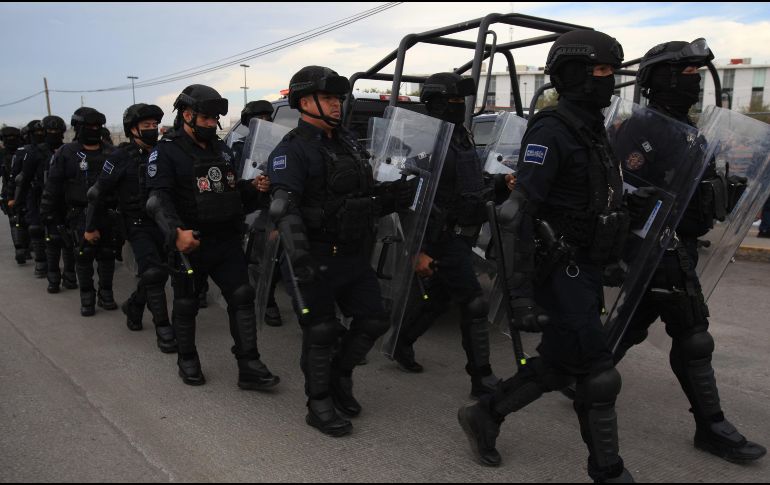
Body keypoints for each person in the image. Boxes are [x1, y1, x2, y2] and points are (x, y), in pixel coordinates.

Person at [457, 30, 634, 482]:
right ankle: (607, 471)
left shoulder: (595, 131)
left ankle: (486, 413)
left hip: (588, 267)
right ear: (573, 73)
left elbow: (602, 198)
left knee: (559, 362)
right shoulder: (552, 129)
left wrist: (615, 253)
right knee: (597, 373)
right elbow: (516, 214)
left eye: (611, 72)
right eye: (600, 71)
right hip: (561, 269)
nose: (608, 81)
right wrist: (519, 298)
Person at [611, 39, 766, 463]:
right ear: (658, 80)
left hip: (682, 245)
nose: (693, 83)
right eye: (684, 75)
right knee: (693, 336)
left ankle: (579, 376)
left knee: (627, 326)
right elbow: (624, 191)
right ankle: (711, 425)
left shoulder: (694, 130)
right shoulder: (642, 128)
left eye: (697, 76)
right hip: (657, 248)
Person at [266, 66, 412, 436]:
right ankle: (318, 404)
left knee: (375, 319)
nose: (337, 105)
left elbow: (360, 199)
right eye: (329, 98)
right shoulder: (291, 150)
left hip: (352, 254)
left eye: (338, 98)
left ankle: (340, 377)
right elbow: (284, 208)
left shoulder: (346, 142)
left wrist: (393, 196)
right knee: (321, 331)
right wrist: (299, 262)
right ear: (304, 102)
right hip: (313, 257)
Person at [145, 84, 279, 390]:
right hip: (190, 242)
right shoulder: (166, 151)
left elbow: (230, 192)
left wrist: (252, 188)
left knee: (243, 297)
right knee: (186, 303)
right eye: (205, 117)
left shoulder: (222, 149)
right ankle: (187, 358)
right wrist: (176, 233)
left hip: (226, 240)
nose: (211, 123)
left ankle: (249, 365)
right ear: (188, 115)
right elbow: (157, 200)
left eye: (214, 118)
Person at [390, 72, 503, 399]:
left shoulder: (460, 136)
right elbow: (409, 200)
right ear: (438, 103)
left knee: (440, 295)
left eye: (461, 101)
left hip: (462, 230)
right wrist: (418, 249)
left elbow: (469, 183)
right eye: (454, 101)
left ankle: (401, 341)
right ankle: (481, 377)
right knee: (474, 302)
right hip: (438, 234)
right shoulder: (426, 140)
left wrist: (497, 185)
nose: (459, 106)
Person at [85, 103, 177, 353]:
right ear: (132, 129)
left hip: (164, 223)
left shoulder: (164, 152)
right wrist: (90, 227)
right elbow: (98, 193)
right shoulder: (120, 157)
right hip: (137, 224)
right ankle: (163, 328)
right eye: (146, 126)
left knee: (161, 271)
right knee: (154, 273)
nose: (152, 129)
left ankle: (135, 306)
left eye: (154, 125)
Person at [41, 107, 118, 316]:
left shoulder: (111, 152)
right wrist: (48, 214)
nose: (94, 130)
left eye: (97, 126)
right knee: (83, 256)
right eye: (89, 126)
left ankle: (106, 293)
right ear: (78, 128)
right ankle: (87, 297)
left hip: (106, 212)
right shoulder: (66, 153)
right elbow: (54, 186)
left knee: (107, 254)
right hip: (78, 213)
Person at [8, 119, 56, 278]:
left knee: (54, 230)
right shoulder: (24, 151)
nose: (40, 135)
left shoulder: (54, 149)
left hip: (51, 193)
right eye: (36, 133)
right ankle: (40, 262)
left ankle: (56, 269)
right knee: (35, 227)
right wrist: (13, 197)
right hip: (32, 193)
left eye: (42, 132)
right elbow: (17, 176)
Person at [1, 125, 30, 264]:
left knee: (19, 220)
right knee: (18, 219)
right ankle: (22, 248)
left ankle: (23, 247)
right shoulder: (24, 151)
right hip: (15, 190)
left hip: (19, 190)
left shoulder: (25, 151)